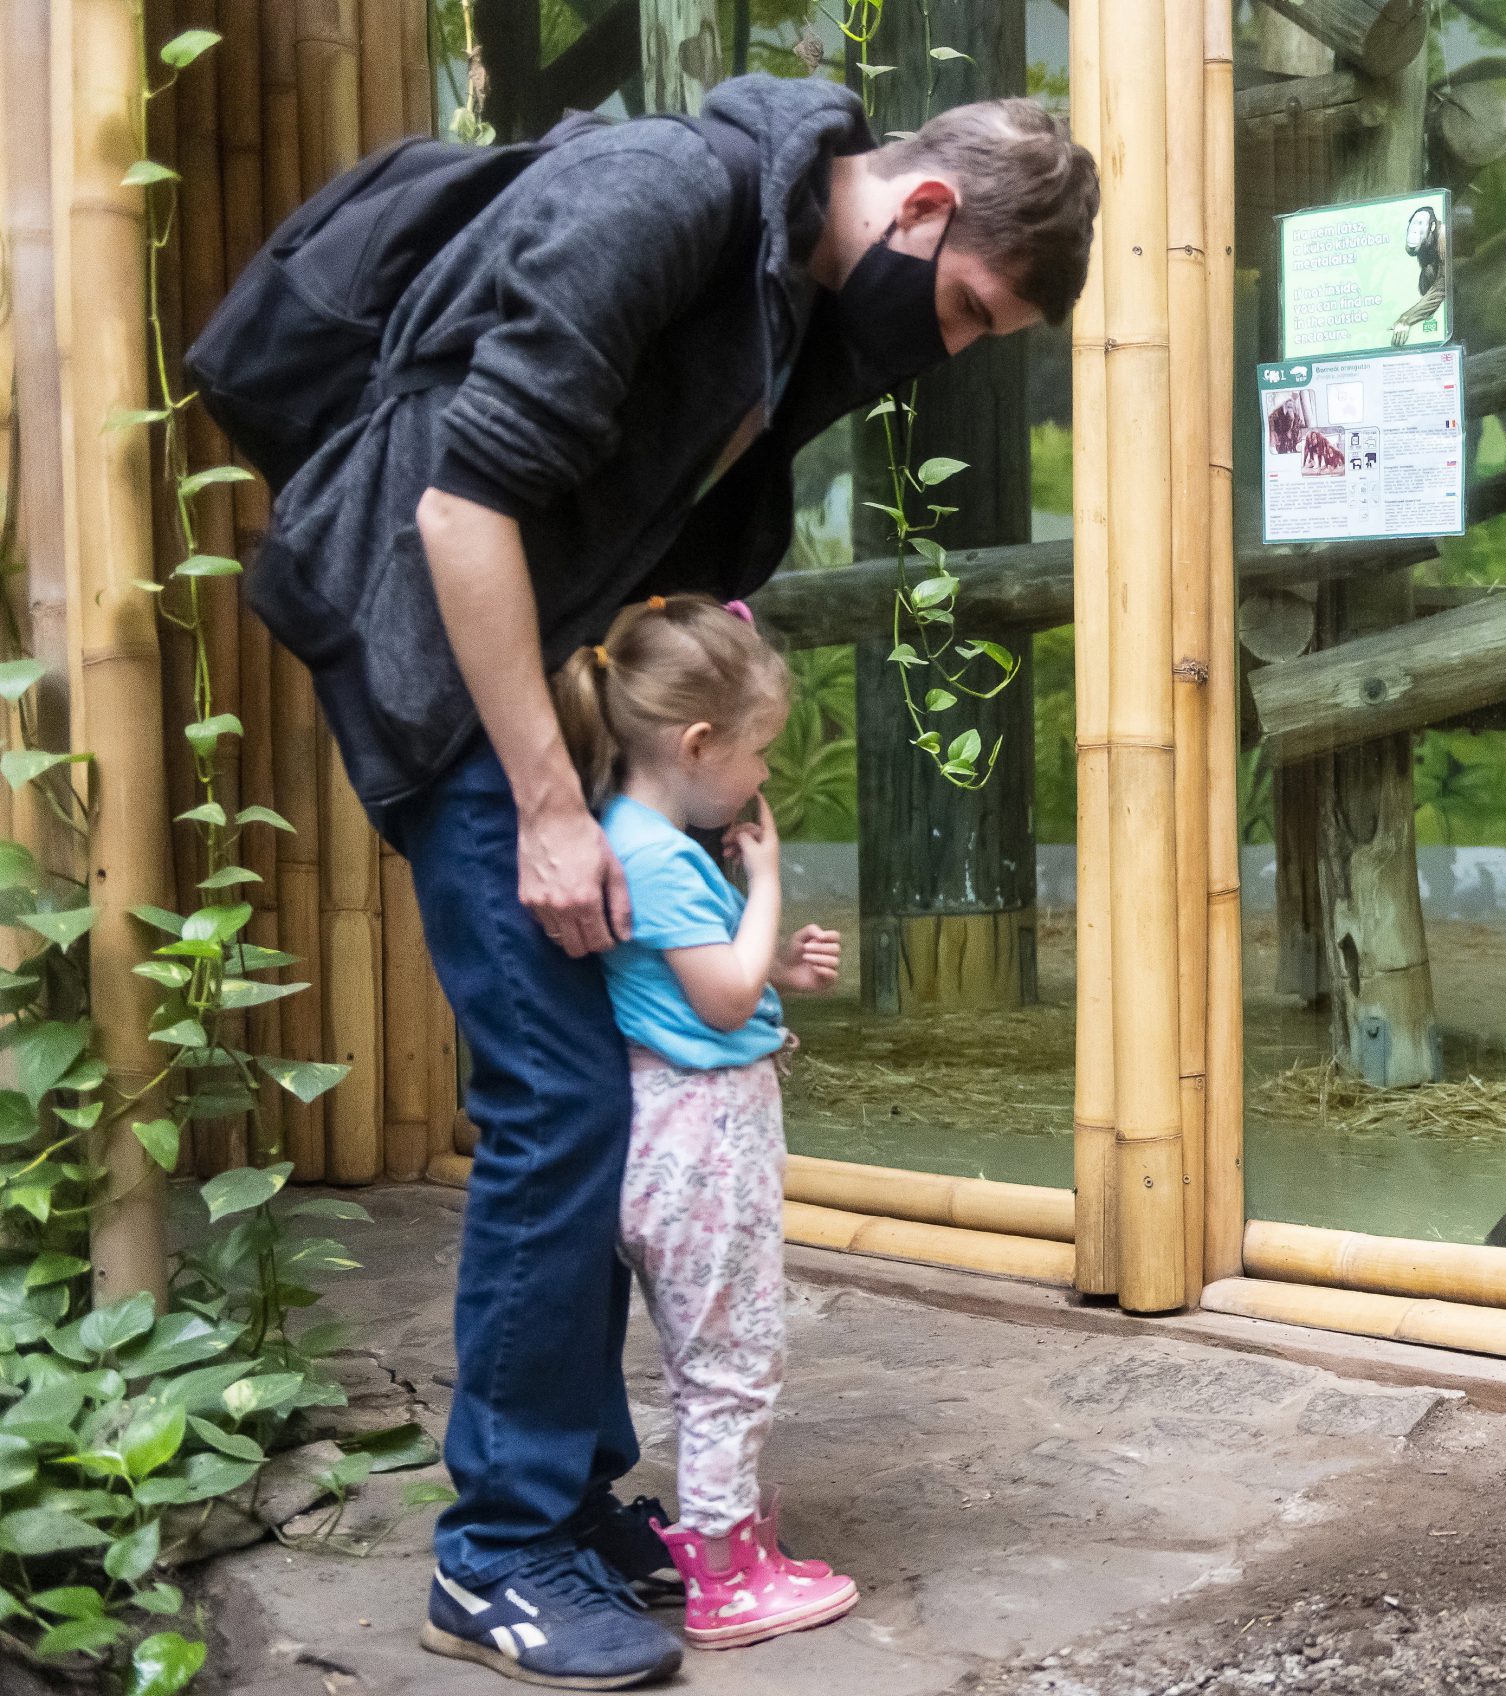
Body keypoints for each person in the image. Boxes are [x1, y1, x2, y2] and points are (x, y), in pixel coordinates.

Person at [249, 75, 1097, 1689]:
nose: (963, 343)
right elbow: (460, 505)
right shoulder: (659, 201)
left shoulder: (802, 302)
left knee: (604, 1101)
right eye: (977, 308)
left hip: (541, 665)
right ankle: (496, 1553)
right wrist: (555, 809)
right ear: (923, 213)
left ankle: (570, 1498)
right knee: (564, 1104)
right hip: (437, 646)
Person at [530, 592, 852, 1655]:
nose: (764, 778)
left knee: (724, 1346)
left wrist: (780, 971)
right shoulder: (659, 852)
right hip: (700, 1134)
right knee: (730, 1359)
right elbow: (718, 1003)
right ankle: (720, 1575)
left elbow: (712, 990)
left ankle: (741, 1547)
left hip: (690, 1119)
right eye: (759, 752)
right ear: (698, 742)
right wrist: (764, 886)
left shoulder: (642, 835)